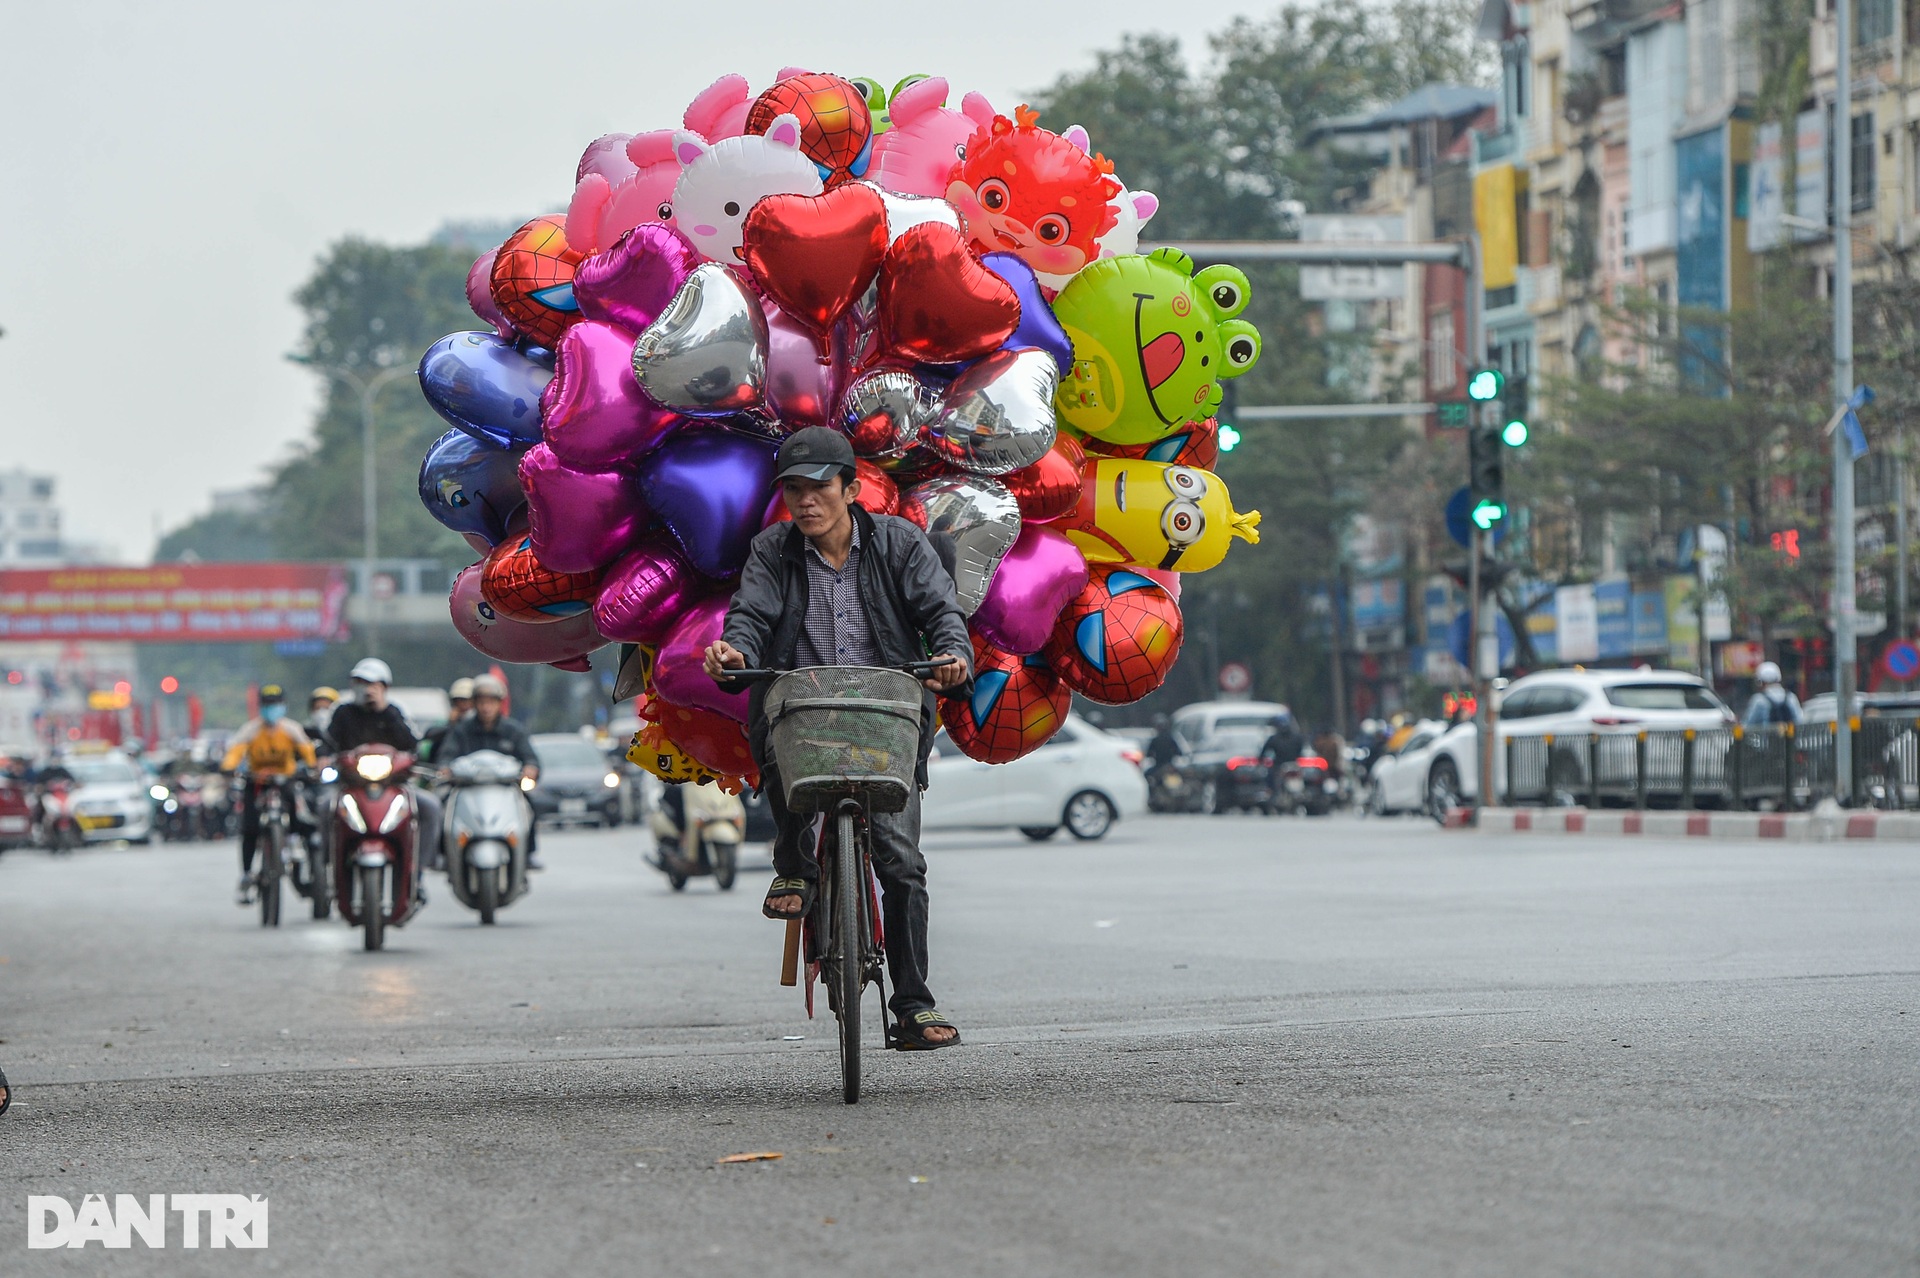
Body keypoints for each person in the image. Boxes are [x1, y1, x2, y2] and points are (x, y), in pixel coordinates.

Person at [703, 426, 971, 1050]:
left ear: (851, 489)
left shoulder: (901, 544)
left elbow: (940, 613)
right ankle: (794, 868)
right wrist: (735, 650)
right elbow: (750, 615)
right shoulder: (772, 551)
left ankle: (912, 1006)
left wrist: (953, 654)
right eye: (793, 490)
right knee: (774, 724)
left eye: (820, 487)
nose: (806, 502)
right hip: (806, 712)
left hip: (887, 716)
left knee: (901, 865)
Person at [324, 658, 441, 896]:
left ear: (385, 688)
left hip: (393, 787)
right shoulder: (343, 714)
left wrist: (383, 710)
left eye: (374, 685)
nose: (367, 690)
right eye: (361, 683)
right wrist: (322, 758)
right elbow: (327, 744)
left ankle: (417, 874)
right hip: (352, 787)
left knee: (431, 807)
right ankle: (328, 867)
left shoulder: (394, 713)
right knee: (324, 807)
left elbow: (412, 745)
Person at [220, 684, 318, 905]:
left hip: (285, 780)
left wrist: (313, 768)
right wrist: (228, 767)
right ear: (260, 707)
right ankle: (246, 873)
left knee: (296, 805)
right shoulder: (251, 730)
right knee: (249, 828)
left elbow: (307, 751)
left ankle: (293, 841)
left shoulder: (291, 729)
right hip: (257, 783)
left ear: (283, 706)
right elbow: (235, 753)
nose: (271, 709)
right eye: (267, 705)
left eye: (275, 705)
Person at [433, 674, 541, 869]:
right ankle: (444, 854)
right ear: (474, 704)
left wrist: (530, 769)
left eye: (491, 702)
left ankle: (528, 853)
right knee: (441, 805)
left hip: (505, 789)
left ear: (500, 704)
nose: (486, 707)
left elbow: (530, 757)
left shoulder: (513, 730)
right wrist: (445, 768)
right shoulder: (461, 731)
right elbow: (446, 755)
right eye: (481, 702)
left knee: (530, 805)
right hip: (467, 788)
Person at [419, 677, 475, 764]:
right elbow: (430, 734)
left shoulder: (483, 728)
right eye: (458, 701)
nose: (464, 705)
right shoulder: (447, 725)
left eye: (468, 701)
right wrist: (452, 724)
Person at [1743, 661, 1804, 730]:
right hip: (1790, 740)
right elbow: (1800, 721)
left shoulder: (1758, 700)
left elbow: (1748, 725)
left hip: (1766, 740)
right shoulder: (1791, 697)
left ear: (1761, 682)